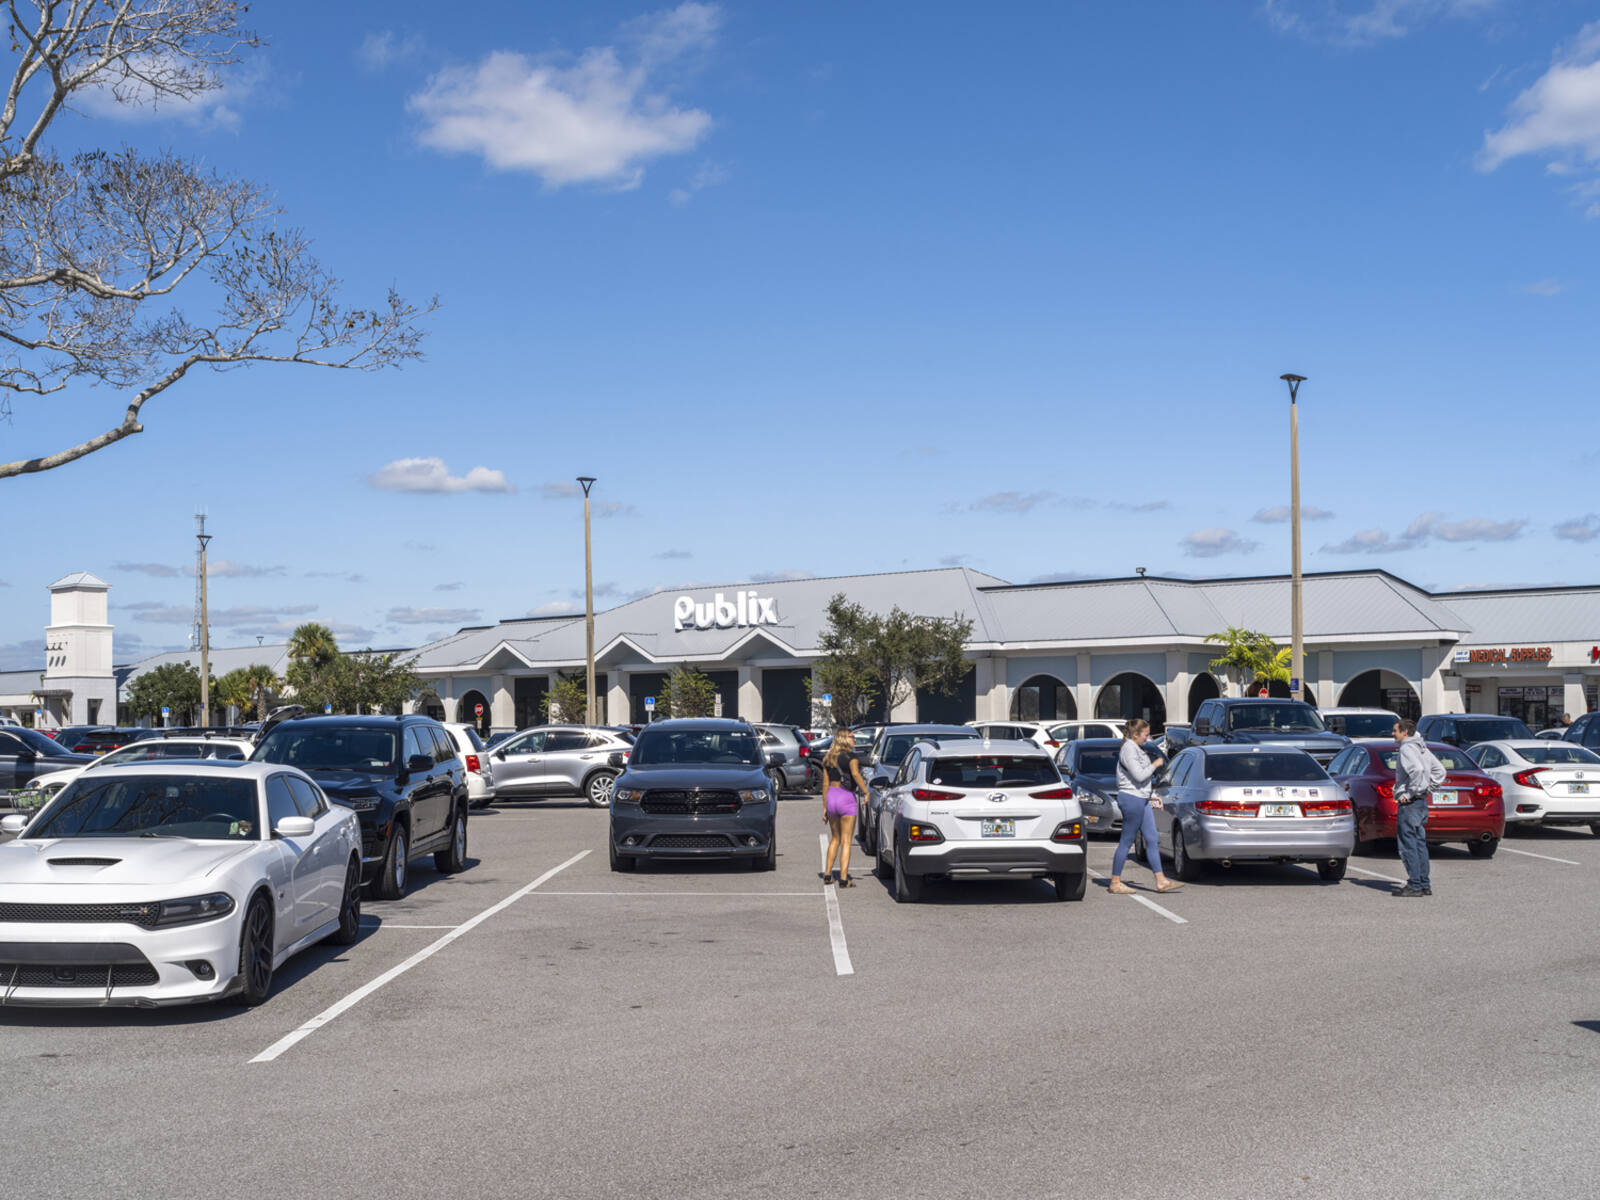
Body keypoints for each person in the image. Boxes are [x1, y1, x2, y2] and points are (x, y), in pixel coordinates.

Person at [1109, 718, 1182, 895]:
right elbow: (1140, 776)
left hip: (1142, 798)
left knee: (1151, 839)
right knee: (1127, 840)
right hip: (1132, 798)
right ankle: (1115, 882)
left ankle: (1161, 880)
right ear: (1135, 734)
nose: (1148, 739)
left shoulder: (1136, 748)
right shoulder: (1128, 749)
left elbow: (1144, 780)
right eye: (1146, 735)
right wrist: (1155, 764)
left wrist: (1152, 795)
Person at [1392, 718, 1445, 898]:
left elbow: (1417, 770)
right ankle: (1423, 883)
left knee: (1408, 844)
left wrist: (1411, 793)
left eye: (1395, 730)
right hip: (1421, 802)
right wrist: (1427, 789)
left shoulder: (1407, 748)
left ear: (1405, 732)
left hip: (1411, 803)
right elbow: (1440, 771)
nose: (1393, 733)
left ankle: (1415, 884)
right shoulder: (1422, 746)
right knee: (1419, 843)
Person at [820, 728, 870, 887]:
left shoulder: (828, 758)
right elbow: (855, 774)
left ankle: (827, 874)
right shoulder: (852, 757)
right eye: (852, 737)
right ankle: (843, 879)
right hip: (846, 797)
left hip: (832, 798)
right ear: (843, 739)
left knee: (835, 838)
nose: (854, 740)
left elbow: (825, 784)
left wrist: (825, 806)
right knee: (846, 841)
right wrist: (866, 791)